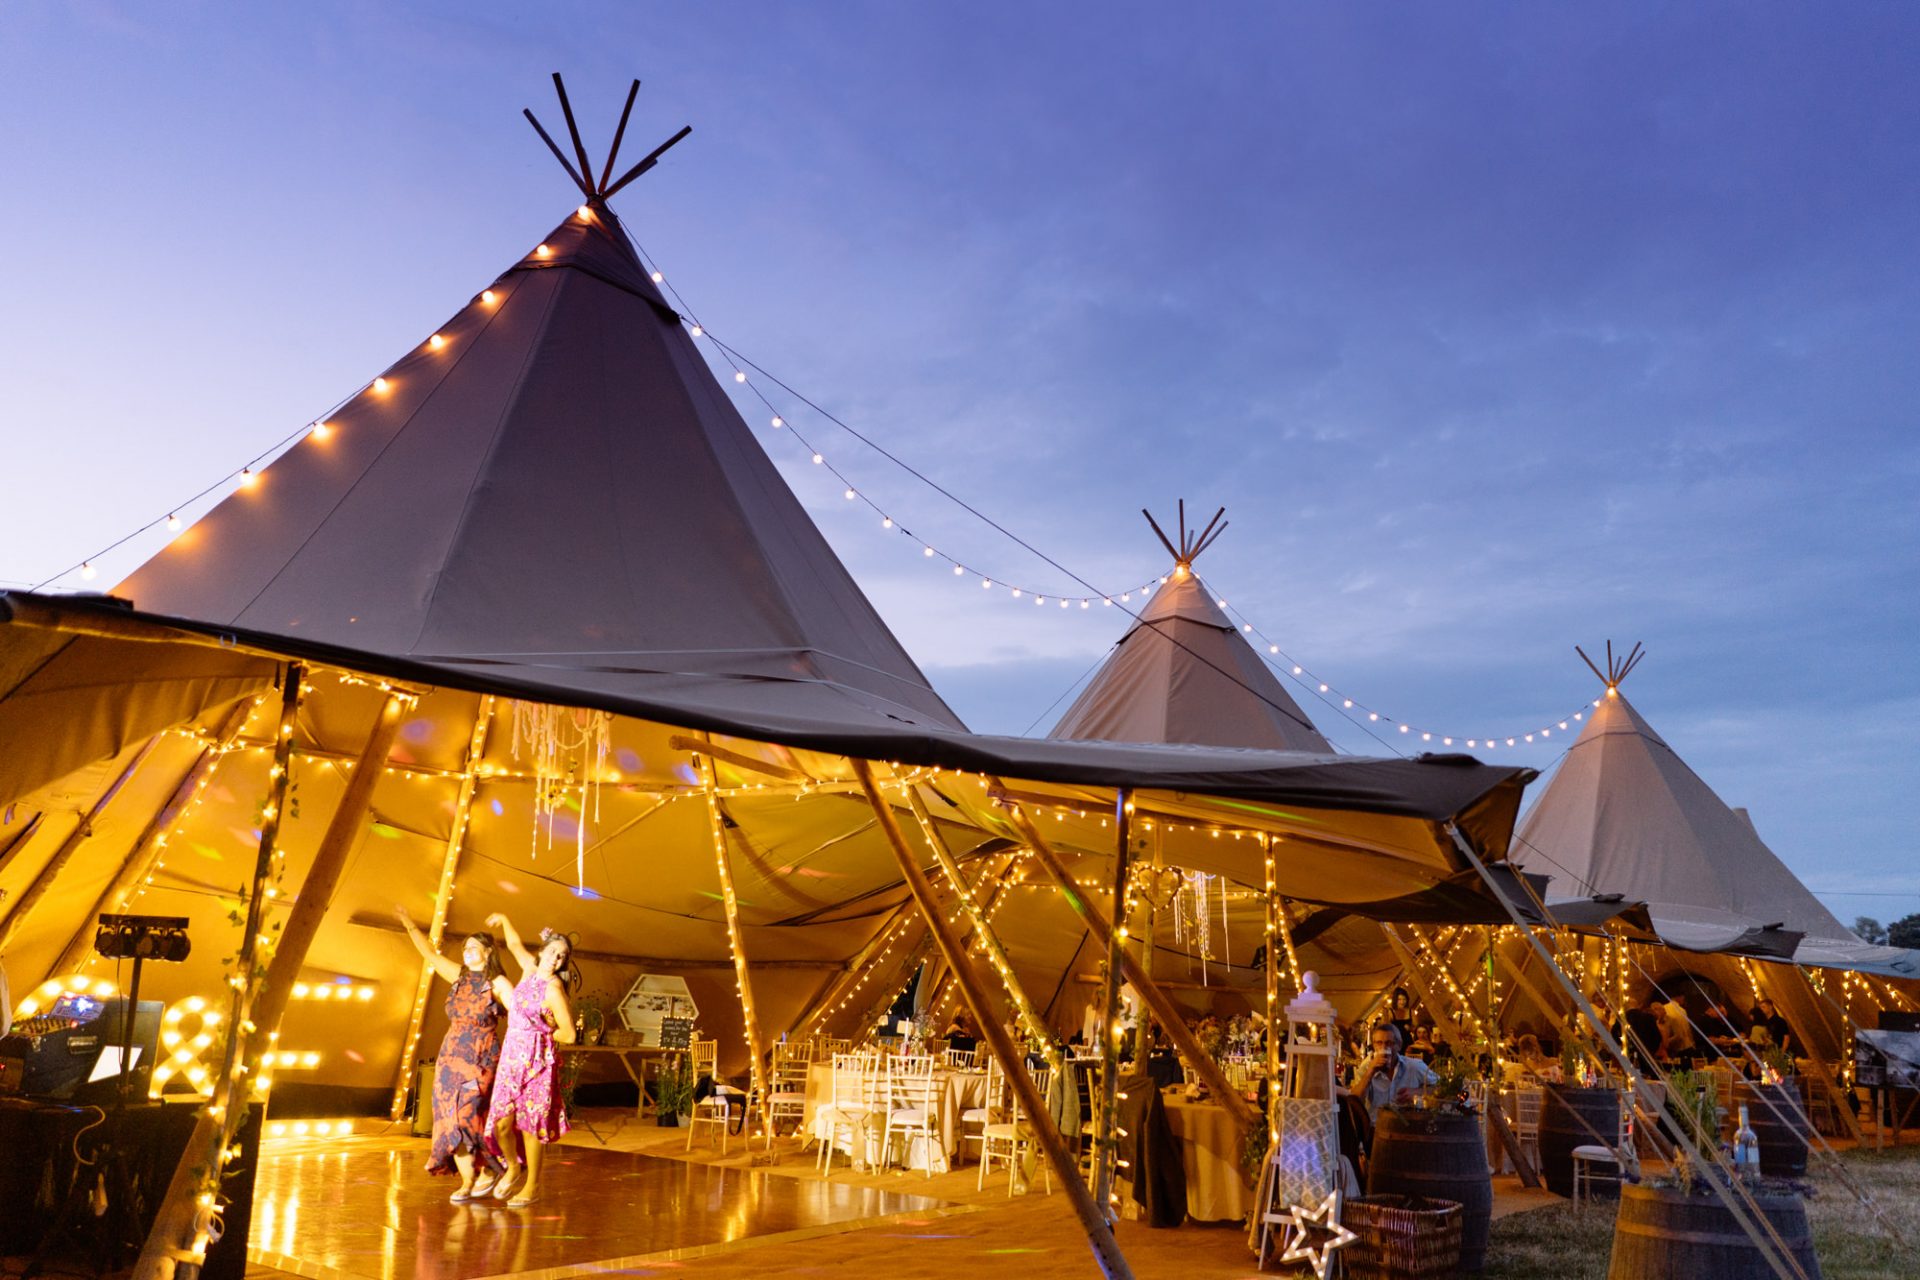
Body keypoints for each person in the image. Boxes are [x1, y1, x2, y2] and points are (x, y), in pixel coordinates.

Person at [397, 907, 507, 1203]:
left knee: (468, 1114)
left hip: (480, 1057)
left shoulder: (496, 983)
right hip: (450, 1057)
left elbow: (520, 1010)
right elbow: (429, 954)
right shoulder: (459, 976)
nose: (467, 952)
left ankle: (492, 1167)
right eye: (465, 948)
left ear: (487, 952)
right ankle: (468, 1180)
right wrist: (409, 923)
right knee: (449, 1120)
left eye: (473, 947)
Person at [483, 914, 577, 1206]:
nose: (555, 959)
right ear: (542, 950)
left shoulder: (554, 989)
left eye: (562, 956)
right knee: (501, 1124)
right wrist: (504, 919)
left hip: (537, 1064)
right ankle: (513, 1166)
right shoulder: (529, 968)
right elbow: (513, 944)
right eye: (553, 951)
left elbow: (569, 1034)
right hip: (511, 1058)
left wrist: (543, 1032)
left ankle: (532, 1185)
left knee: (530, 1125)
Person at [1351, 1022, 1437, 1123]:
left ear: (1399, 1045)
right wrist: (1370, 1072)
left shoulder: (1414, 1066)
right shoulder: (1366, 1067)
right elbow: (1354, 1103)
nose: (1384, 1048)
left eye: (1389, 1043)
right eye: (1379, 1043)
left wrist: (1418, 1092)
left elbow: (1441, 1088)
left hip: (1407, 1127)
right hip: (1376, 1127)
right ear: (1374, 1045)